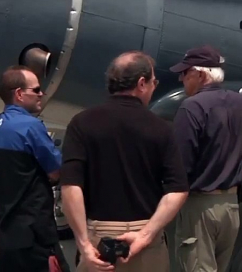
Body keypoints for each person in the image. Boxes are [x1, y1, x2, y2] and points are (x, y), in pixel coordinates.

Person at [60, 51, 189, 272]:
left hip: (99, 239)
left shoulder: (81, 123)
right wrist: (146, 235)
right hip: (145, 239)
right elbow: (177, 189)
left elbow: (71, 186)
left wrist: (83, 243)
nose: (153, 87)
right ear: (141, 83)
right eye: (153, 82)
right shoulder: (161, 128)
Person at [169, 45, 242, 272]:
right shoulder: (239, 102)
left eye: (185, 73)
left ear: (200, 74)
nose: (181, 78)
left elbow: (180, 165)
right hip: (230, 208)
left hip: (200, 208)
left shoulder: (191, 108)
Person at [0, 65, 69, 272]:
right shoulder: (30, 126)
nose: (41, 94)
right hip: (34, 233)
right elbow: (55, 171)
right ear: (19, 94)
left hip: (6, 230)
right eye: (36, 90)